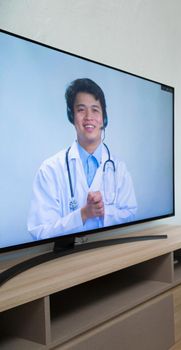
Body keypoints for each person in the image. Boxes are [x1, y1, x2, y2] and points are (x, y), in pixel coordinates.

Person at [28, 78, 137, 240]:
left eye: (95, 110)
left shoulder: (118, 168)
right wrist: (83, 214)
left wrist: (104, 211)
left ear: (103, 118)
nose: (88, 117)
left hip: (111, 249)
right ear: (71, 115)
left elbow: (131, 215)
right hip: (66, 259)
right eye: (81, 110)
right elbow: (40, 231)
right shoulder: (50, 169)